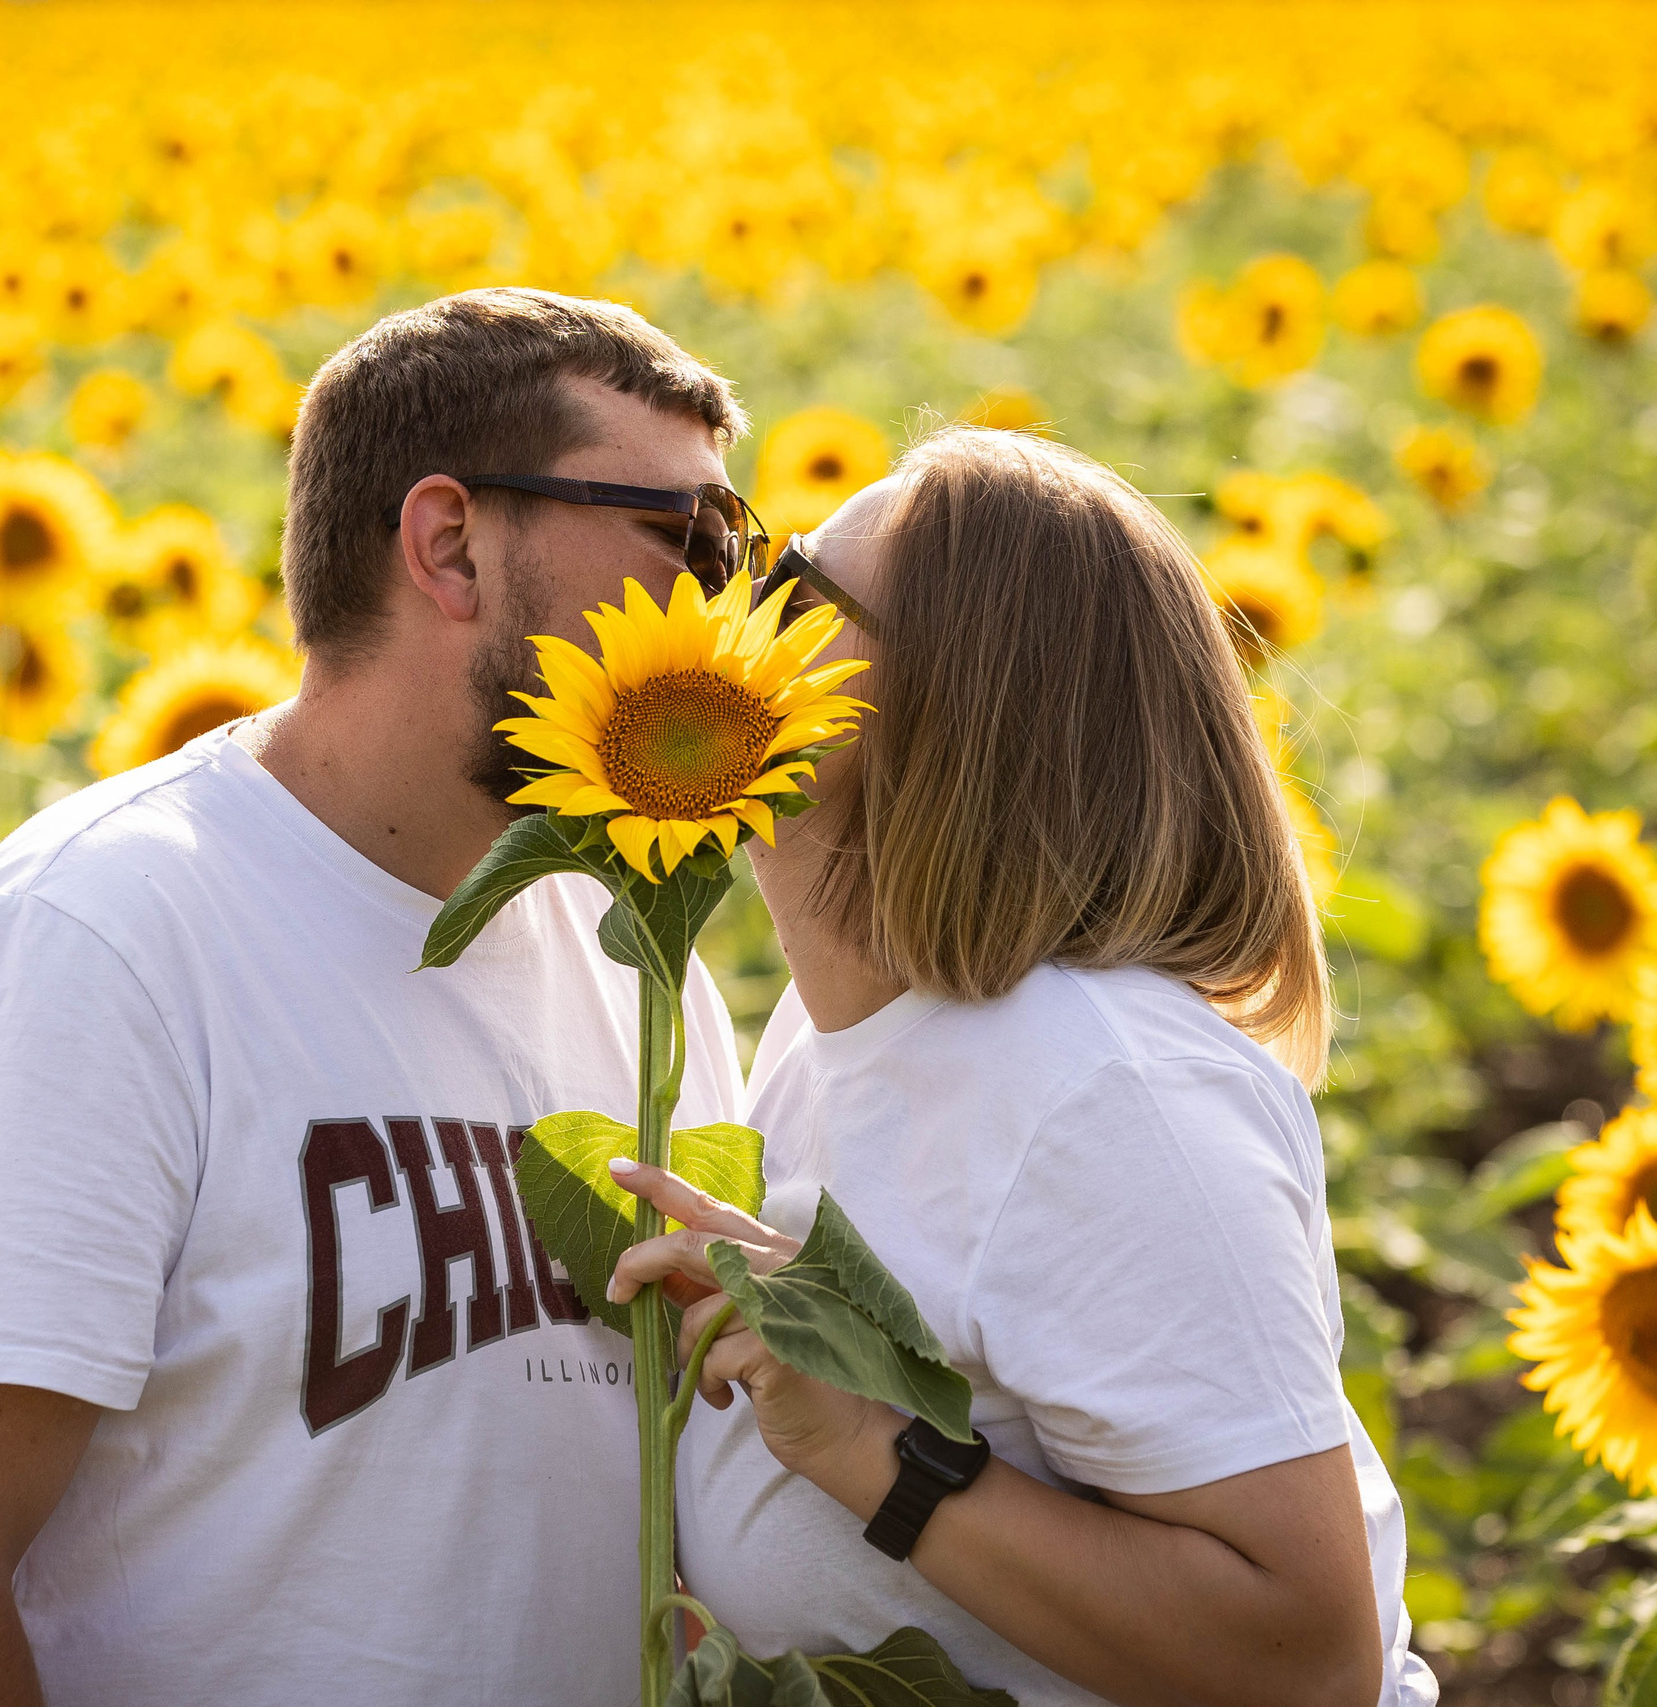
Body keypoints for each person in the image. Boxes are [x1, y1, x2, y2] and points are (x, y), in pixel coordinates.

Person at [0, 290, 762, 1706]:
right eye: (679, 537)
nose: (721, 602)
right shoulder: (94, 938)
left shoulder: (633, 950)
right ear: (451, 545)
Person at [607, 427, 1439, 1706]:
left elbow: (1308, 1658)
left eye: (793, 590)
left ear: (959, 708)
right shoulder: (841, 1035)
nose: (723, 606)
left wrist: (868, 1451)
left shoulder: (1100, 1091)